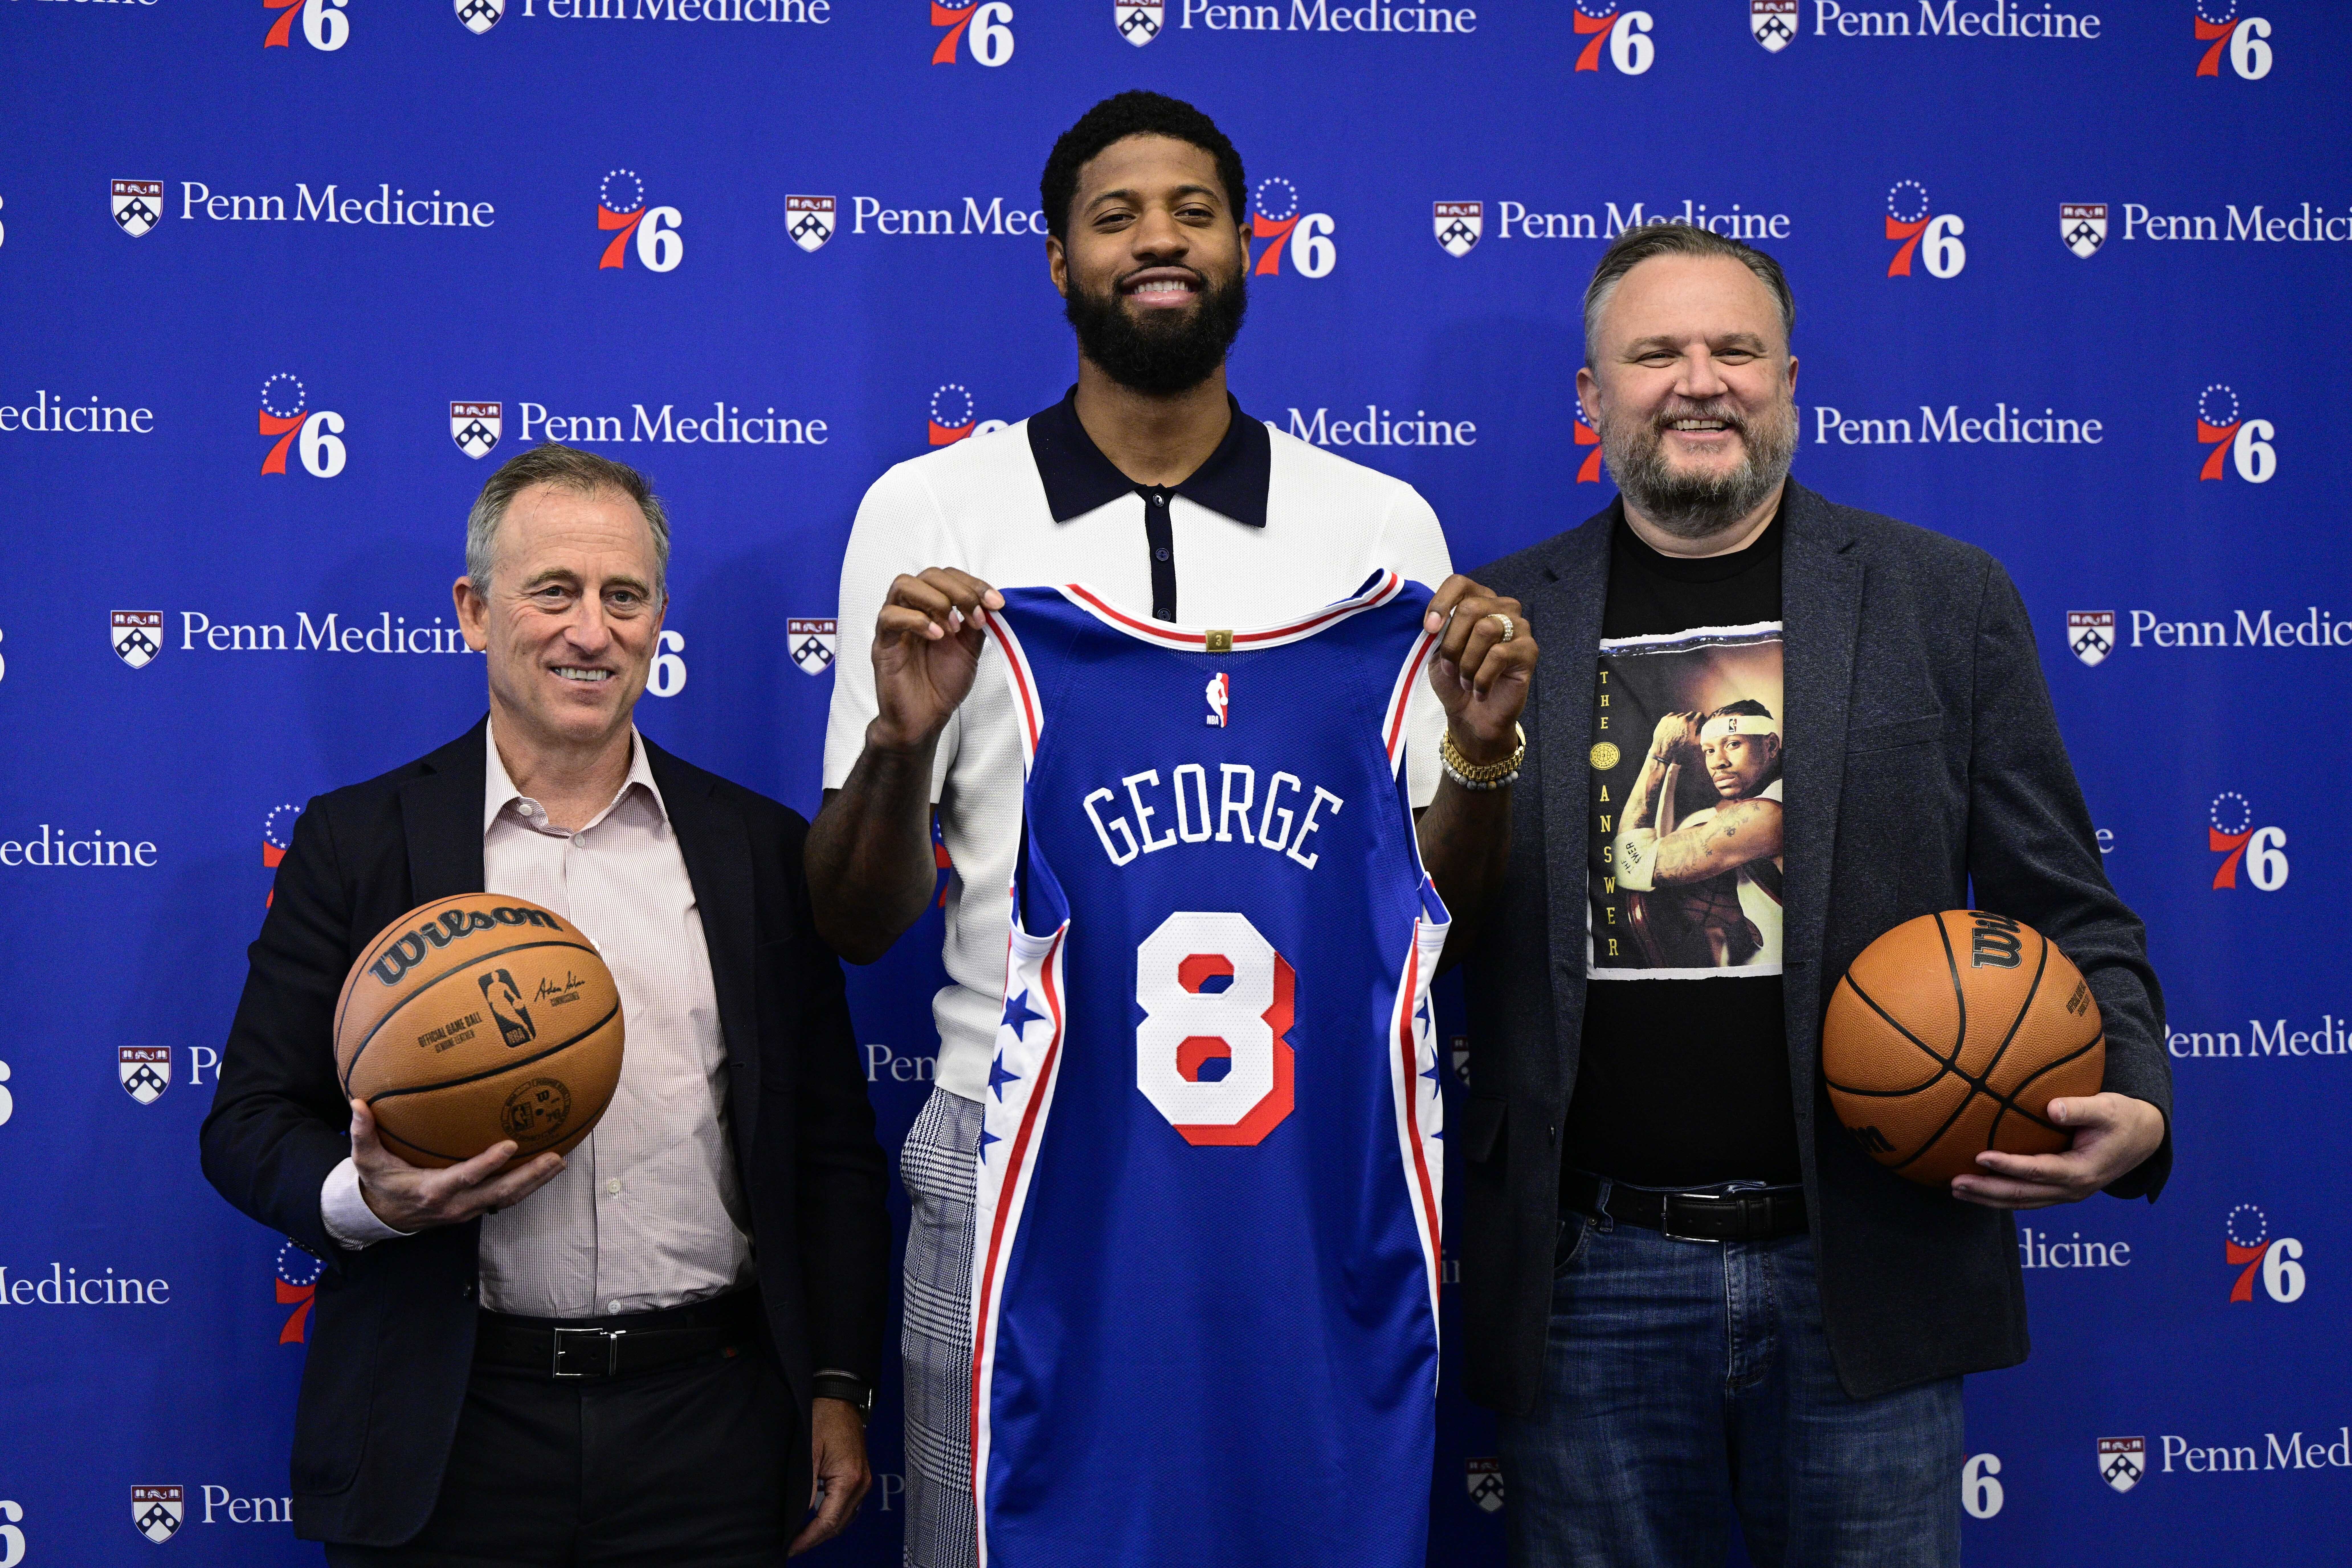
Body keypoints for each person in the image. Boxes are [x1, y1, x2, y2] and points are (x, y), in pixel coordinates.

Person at [804, 89, 1532, 1568]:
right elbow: (853, 917)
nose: (1160, 240)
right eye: (1117, 214)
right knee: (992, 1534)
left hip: (1309, 1141)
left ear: (1248, 247)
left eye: (1195, 210)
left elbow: (1430, 906)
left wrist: (1487, 751)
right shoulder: (933, 510)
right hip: (1013, 1132)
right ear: (1058, 261)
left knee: (1304, 1532)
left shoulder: (1380, 529)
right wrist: (900, 738)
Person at [1455, 223, 2172, 1568]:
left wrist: (2134, 1083)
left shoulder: (1942, 598)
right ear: (1593, 395)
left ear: (1791, 379)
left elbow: (2065, 896)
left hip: (1868, 1256)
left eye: (1735, 348)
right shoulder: (1504, 617)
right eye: (1655, 351)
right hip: (1590, 1269)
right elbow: (1438, 919)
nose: (1699, 380)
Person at [199, 444, 891, 1566]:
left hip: (708, 1430)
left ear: (660, 616)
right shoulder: (356, 842)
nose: (591, 629)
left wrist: (837, 1385)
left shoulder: (761, 850)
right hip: (450, 1431)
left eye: (625, 595)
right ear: (474, 611)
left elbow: (831, 1152)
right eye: (553, 591)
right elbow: (245, 1122)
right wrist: (368, 1195)